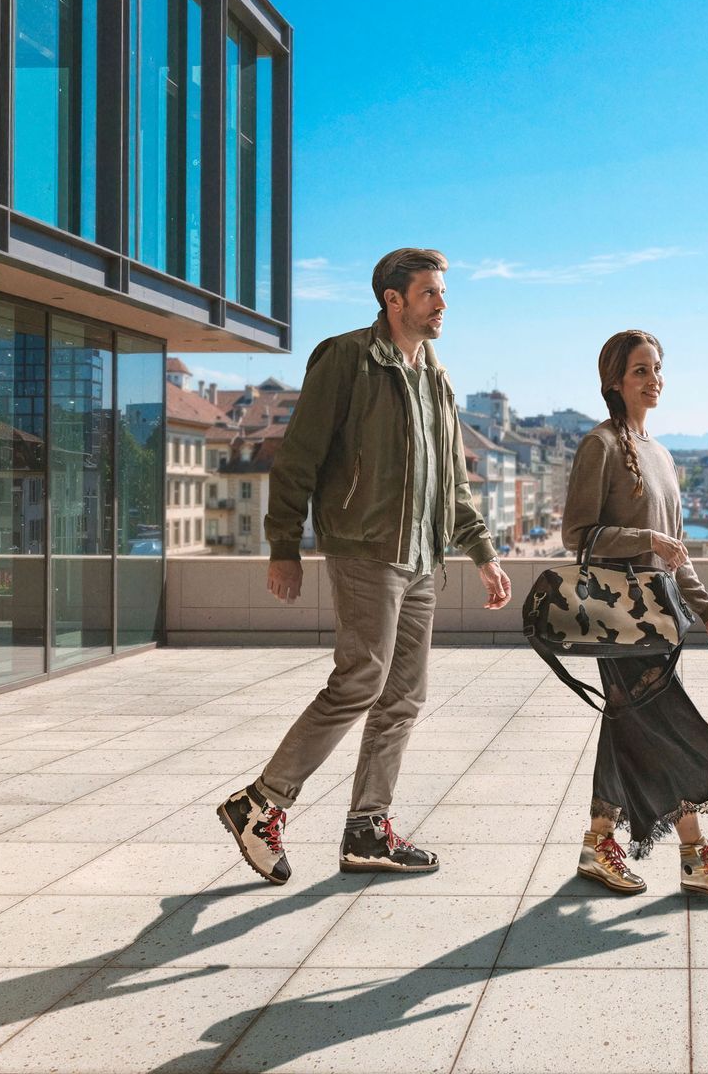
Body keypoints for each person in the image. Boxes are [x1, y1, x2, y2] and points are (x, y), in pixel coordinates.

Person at [217, 248, 511, 884]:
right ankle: (261, 803)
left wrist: (482, 553)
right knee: (361, 680)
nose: (442, 304)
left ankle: (367, 831)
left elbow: (451, 482)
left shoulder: (437, 378)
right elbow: (298, 458)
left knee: (404, 696)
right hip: (364, 549)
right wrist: (283, 546)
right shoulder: (346, 358)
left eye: (443, 294)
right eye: (430, 293)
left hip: (423, 559)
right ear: (393, 299)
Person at [560, 330, 708, 898]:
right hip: (620, 616)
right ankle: (695, 853)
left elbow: (676, 549)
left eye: (657, 369)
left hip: (662, 614)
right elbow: (576, 536)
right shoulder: (600, 446)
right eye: (640, 371)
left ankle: (600, 842)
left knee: (630, 725)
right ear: (614, 381)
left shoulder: (661, 453)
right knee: (669, 724)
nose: (654, 380)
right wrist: (644, 536)